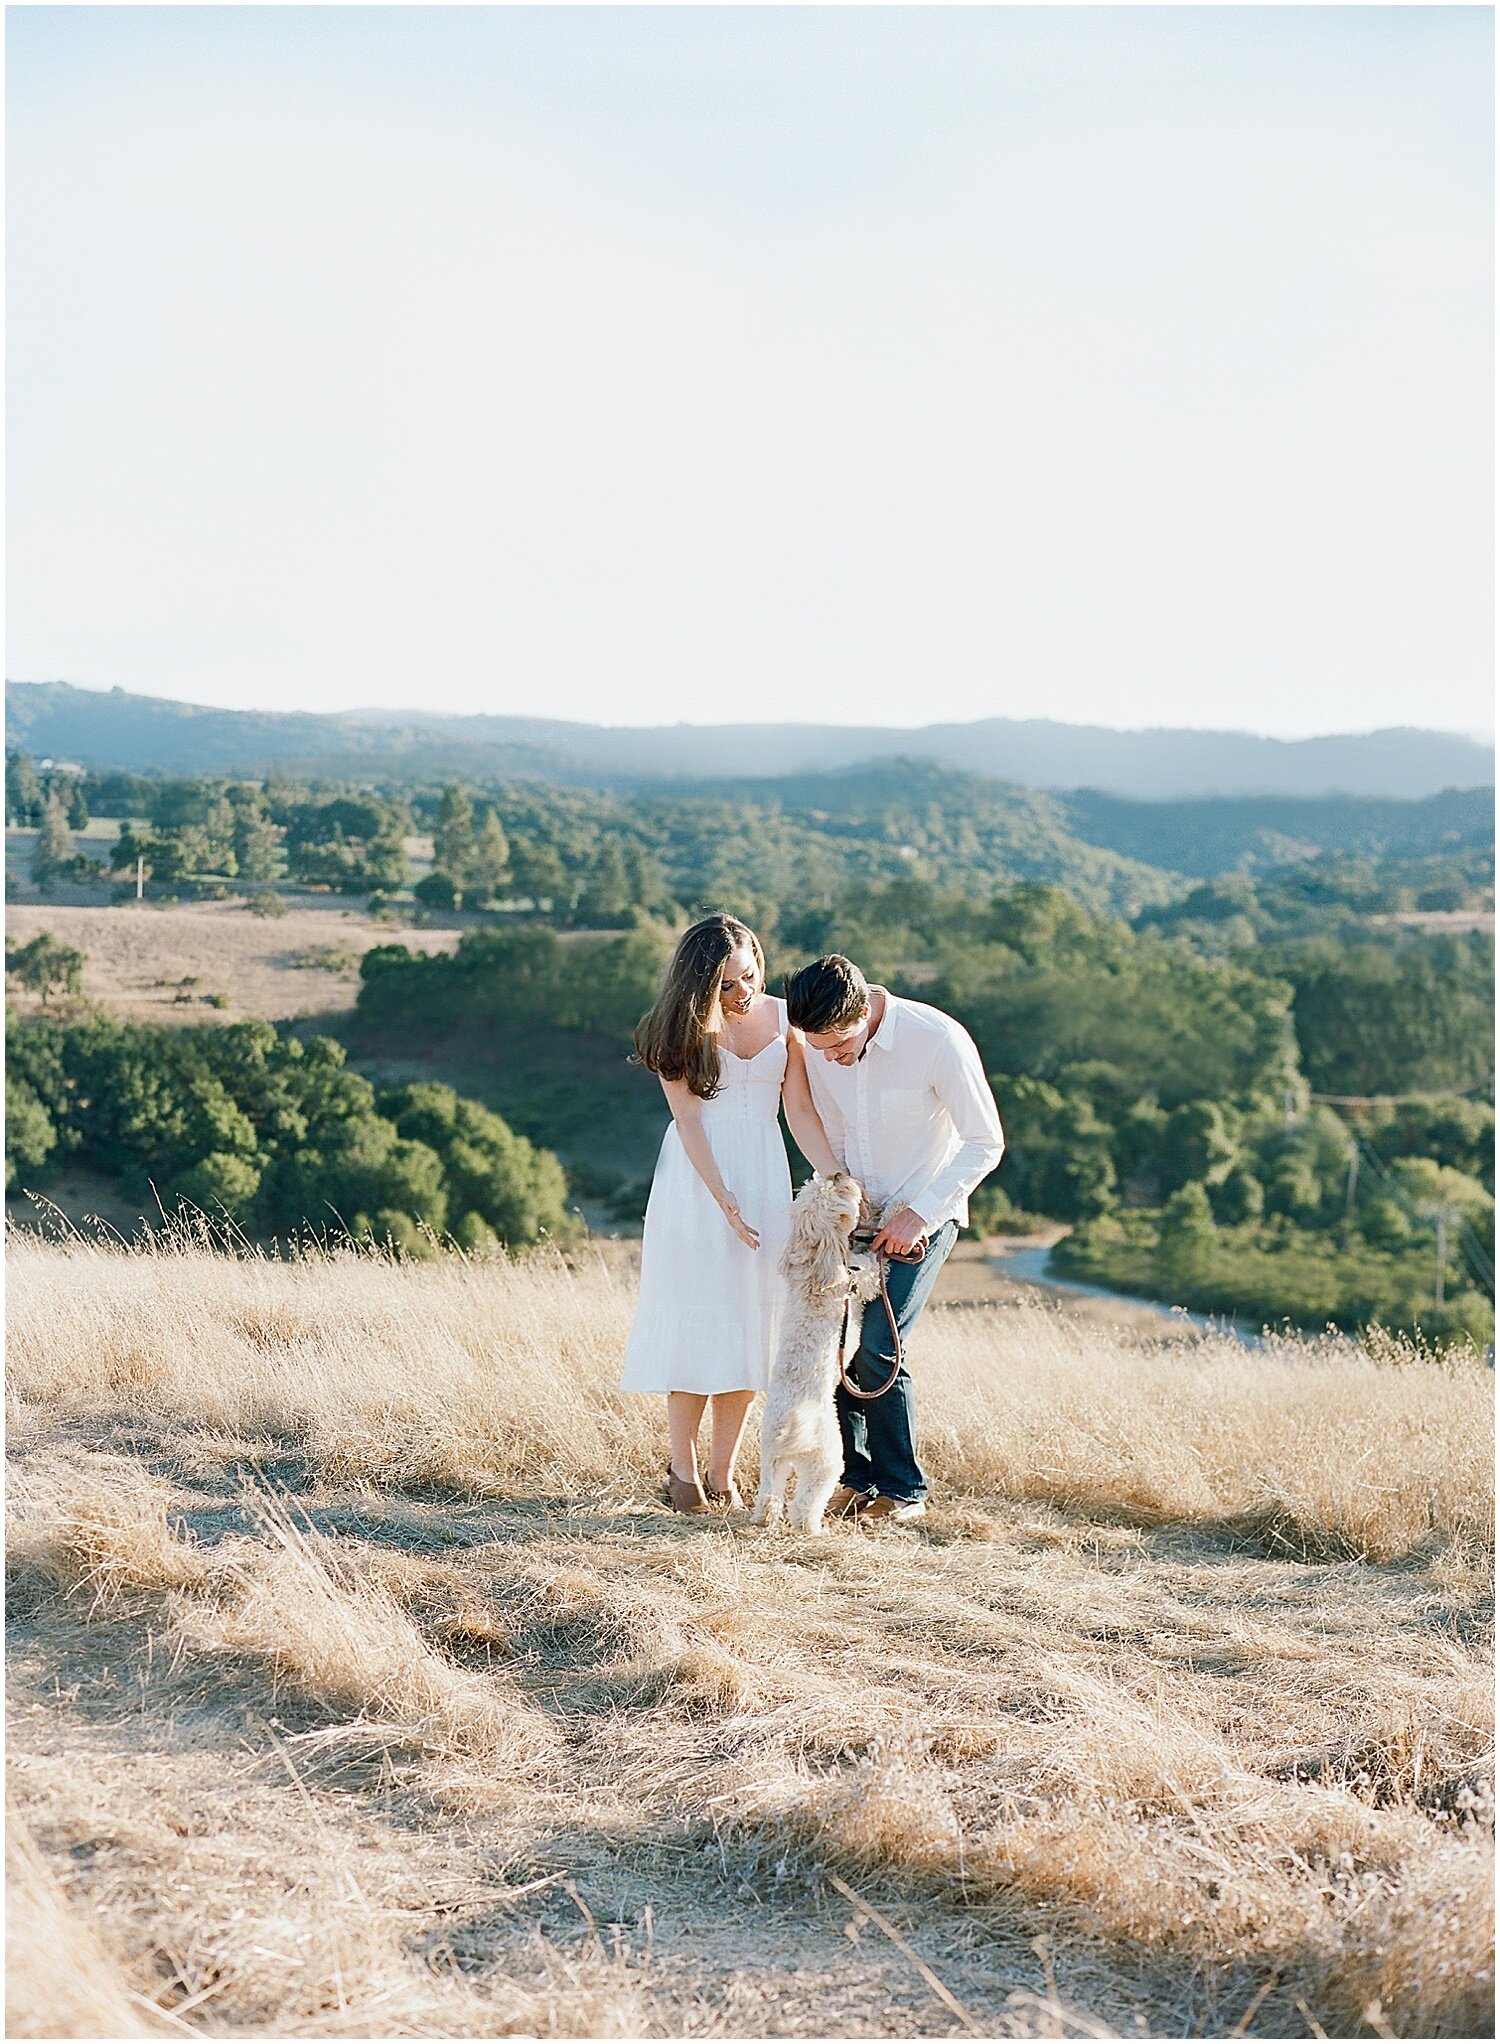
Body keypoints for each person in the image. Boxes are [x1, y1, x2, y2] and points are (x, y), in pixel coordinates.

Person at [621, 913, 847, 1513]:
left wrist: (834, 1178)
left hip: (765, 1174)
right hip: (697, 1183)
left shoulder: (783, 1021)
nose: (742, 993)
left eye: (747, 977)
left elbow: (797, 1109)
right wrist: (721, 1197)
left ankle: (723, 1476)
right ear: (699, 988)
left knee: (752, 1322)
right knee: (697, 1322)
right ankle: (682, 1472)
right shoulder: (677, 1031)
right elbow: (689, 1120)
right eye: (725, 986)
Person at [784, 954, 1005, 1524]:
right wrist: (837, 1187)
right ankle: (852, 1478)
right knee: (834, 1342)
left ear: (862, 1009)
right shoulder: (813, 1039)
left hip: (923, 1210)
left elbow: (986, 1141)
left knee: (879, 1343)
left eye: (838, 1044)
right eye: (819, 1047)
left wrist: (919, 1215)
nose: (828, 1057)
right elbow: (806, 1113)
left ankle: (903, 1489)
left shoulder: (936, 1039)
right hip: (849, 1212)